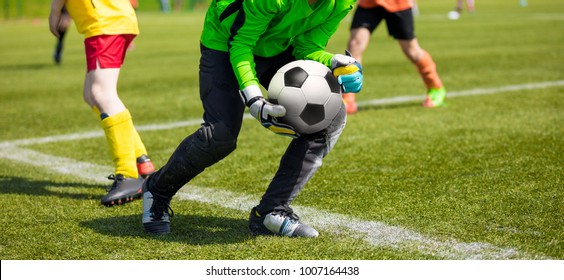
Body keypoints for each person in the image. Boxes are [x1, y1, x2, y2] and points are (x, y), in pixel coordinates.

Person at [141, 0, 363, 237]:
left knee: (330, 118)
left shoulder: (343, 2)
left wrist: (334, 61)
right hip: (227, 43)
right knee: (220, 136)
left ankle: (271, 213)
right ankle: (157, 191)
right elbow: (241, 43)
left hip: (275, 45)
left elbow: (307, 45)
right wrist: (253, 97)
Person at [49, 0, 155, 206]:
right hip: (110, 20)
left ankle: (128, 174)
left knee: (101, 93)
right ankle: (141, 162)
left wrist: (55, 11)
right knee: (91, 94)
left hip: (104, 21)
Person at [343, 0, 446, 113]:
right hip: (369, 3)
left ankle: (436, 87)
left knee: (412, 51)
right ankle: (348, 98)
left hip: (397, 3)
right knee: (355, 44)